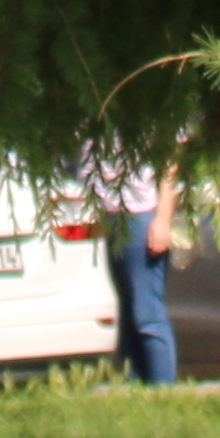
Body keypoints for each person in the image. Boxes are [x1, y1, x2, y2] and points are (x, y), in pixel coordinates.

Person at [84, 148, 181, 386]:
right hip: (113, 213)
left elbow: (172, 160)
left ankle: (163, 391)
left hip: (142, 212)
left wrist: (163, 219)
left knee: (147, 314)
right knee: (127, 316)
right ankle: (136, 393)